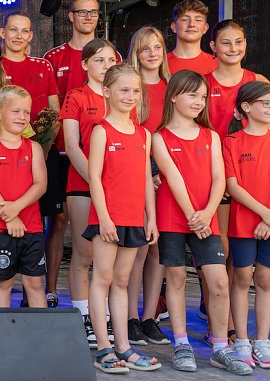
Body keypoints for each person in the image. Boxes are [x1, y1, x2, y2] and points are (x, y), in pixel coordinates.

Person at [152, 70, 252, 375]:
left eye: (203, 96)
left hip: (206, 219)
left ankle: (220, 347)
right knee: (177, 278)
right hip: (174, 217)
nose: (199, 101)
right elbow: (173, 177)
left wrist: (207, 213)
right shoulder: (159, 137)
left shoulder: (211, 136)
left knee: (219, 282)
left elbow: (220, 178)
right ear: (174, 96)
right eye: (192, 94)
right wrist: (195, 217)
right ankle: (181, 343)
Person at [85, 63, 160, 373]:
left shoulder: (144, 134)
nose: (131, 96)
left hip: (134, 219)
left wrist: (150, 217)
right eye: (124, 90)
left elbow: (145, 179)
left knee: (122, 281)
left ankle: (123, 347)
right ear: (107, 92)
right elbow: (94, 178)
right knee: (102, 279)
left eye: (135, 91)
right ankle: (103, 347)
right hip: (108, 219)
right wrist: (103, 218)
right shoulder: (102, 130)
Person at [43, 0, 116, 311]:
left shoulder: (111, 56)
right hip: (64, 156)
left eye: (94, 12)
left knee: (105, 235)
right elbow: (52, 109)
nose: (88, 17)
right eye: (81, 12)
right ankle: (51, 289)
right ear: (69, 16)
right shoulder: (54, 56)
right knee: (58, 222)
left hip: (108, 167)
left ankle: (107, 307)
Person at [206, 19, 269, 345]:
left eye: (239, 42)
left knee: (239, 257)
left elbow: (266, 135)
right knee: (220, 251)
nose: (233, 48)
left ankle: (231, 322)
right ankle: (219, 320)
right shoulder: (202, 83)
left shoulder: (257, 81)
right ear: (213, 47)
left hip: (245, 178)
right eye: (226, 43)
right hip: (213, 176)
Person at [58, 38, 119, 346]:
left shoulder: (122, 96)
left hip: (118, 189)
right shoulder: (76, 96)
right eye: (99, 60)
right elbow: (71, 145)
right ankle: (83, 314)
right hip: (82, 185)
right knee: (85, 254)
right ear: (84, 65)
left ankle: (104, 315)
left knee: (109, 259)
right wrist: (96, 181)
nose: (106, 65)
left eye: (111, 60)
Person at [224, 81, 270, 371]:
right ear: (246, 107)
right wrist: (264, 214)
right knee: (241, 278)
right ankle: (241, 341)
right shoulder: (232, 143)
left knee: (265, 279)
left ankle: (262, 342)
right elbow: (232, 185)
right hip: (244, 222)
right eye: (267, 103)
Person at [0, 11, 61, 307]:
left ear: (31, 36)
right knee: (4, 224)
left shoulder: (43, 65)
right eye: (13, 30)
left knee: (39, 222)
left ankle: (36, 294)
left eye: (24, 31)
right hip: (3, 159)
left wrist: (42, 149)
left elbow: (54, 112)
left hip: (40, 156)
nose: (18, 36)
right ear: (2, 33)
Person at [0, 85, 47, 308]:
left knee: (35, 283)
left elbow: (40, 184)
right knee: (3, 283)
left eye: (26, 112)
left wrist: (17, 207)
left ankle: (43, 337)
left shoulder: (33, 147)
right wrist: (10, 217)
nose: (22, 117)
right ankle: (3, 336)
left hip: (32, 227)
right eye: (15, 111)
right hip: (0, 228)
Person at [125, 26, 170, 346]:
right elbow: (128, 136)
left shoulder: (172, 87)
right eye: (145, 49)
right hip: (139, 178)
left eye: (157, 47)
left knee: (160, 252)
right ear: (136, 54)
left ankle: (150, 316)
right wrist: (149, 172)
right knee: (137, 251)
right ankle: (128, 318)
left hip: (169, 179)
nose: (152, 53)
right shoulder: (130, 89)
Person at [167, 0, 216, 75]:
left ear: (205, 28)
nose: (191, 24)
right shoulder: (160, 64)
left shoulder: (217, 65)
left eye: (198, 20)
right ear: (174, 27)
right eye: (185, 19)